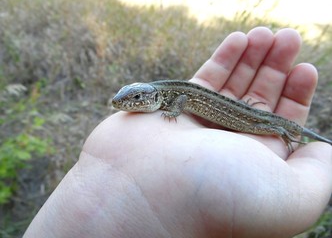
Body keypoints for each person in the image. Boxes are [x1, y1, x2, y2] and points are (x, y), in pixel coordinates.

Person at [24, 27, 332, 238]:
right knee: (262, 120)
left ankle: (286, 132)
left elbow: (183, 99)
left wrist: (172, 112)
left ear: (150, 97)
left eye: (133, 100)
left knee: (269, 125)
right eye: (127, 98)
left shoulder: (171, 97)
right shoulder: (156, 94)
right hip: (233, 110)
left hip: (246, 117)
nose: (123, 104)